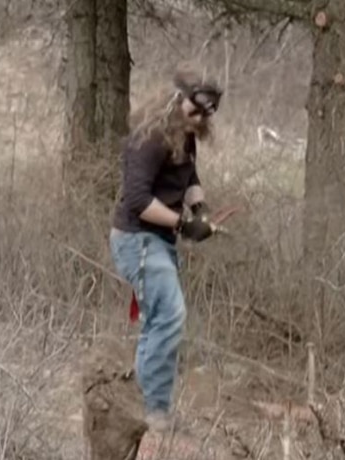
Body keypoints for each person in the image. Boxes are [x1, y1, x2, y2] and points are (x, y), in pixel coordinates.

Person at [108, 69, 224, 431]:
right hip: (137, 239)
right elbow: (138, 200)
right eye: (197, 108)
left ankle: (138, 404)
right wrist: (180, 224)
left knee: (159, 321)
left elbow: (189, 179)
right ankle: (155, 413)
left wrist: (201, 210)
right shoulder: (151, 138)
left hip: (158, 241)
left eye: (208, 112)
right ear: (177, 98)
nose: (201, 117)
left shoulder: (184, 137)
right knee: (171, 315)